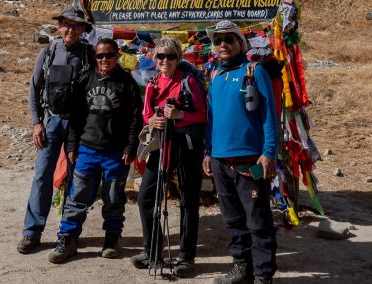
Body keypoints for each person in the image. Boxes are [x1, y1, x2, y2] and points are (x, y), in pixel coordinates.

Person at [50, 38, 143, 264]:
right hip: (87, 149)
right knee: (77, 196)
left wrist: (131, 147)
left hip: (115, 152)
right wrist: (72, 145)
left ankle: (112, 237)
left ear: (117, 55)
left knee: (114, 198)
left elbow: (135, 120)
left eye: (109, 55)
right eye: (100, 56)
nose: (104, 60)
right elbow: (76, 117)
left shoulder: (127, 83)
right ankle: (68, 238)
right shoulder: (86, 79)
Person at [204, 20, 279, 284]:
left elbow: (270, 114)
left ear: (240, 43)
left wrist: (269, 153)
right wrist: (208, 152)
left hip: (250, 160)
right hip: (220, 160)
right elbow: (212, 118)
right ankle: (241, 267)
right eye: (218, 40)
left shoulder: (254, 71)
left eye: (228, 39)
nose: (222, 44)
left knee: (258, 220)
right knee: (233, 219)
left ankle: (263, 275)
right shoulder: (215, 75)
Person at [17, 4, 95, 254]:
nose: (70, 29)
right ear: (59, 26)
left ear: (83, 29)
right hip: (51, 122)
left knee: (76, 178)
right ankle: (32, 232)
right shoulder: (48, 52)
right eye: (66, 24)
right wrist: (36, 122)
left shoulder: (90, 55)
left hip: (78, 126)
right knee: (42, 175)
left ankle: (68, 233)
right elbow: (34, 88)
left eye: (75, 25)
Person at [131, 37, 207, 276]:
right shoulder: (153, 83)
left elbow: (203, 115)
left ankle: (186, 257)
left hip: (186, 145)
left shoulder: (189, 81)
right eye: (161, 56)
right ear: (155, 59)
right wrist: (152, 120)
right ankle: (152, 251)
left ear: (178, 58)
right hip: (161, 145)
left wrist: (179, 115)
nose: (165, 61)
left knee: (188, 199)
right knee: (146, 196)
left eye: (171, 56)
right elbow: (146, 115)